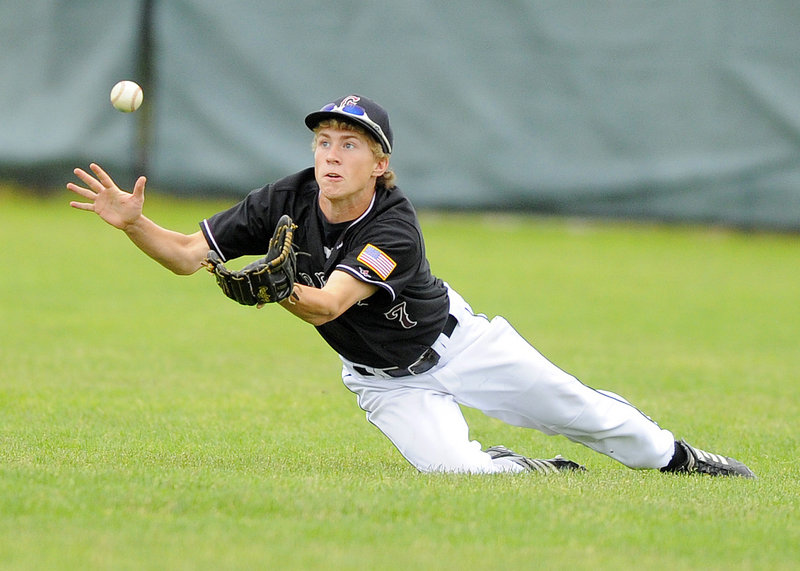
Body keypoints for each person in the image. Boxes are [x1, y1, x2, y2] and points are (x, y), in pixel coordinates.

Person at [67, 94, 755, 477]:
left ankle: (682, 459)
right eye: (324, 141)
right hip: (381, 378)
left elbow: (331, 301)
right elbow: (190, 254)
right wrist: (134, 226)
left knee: (592, 416)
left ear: (380, 163)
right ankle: (535, 471)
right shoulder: (287, 196)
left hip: (461, 346)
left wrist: (278, 290)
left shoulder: (394, 225)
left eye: (350, 144)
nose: (331, 154)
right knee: (455, 473)